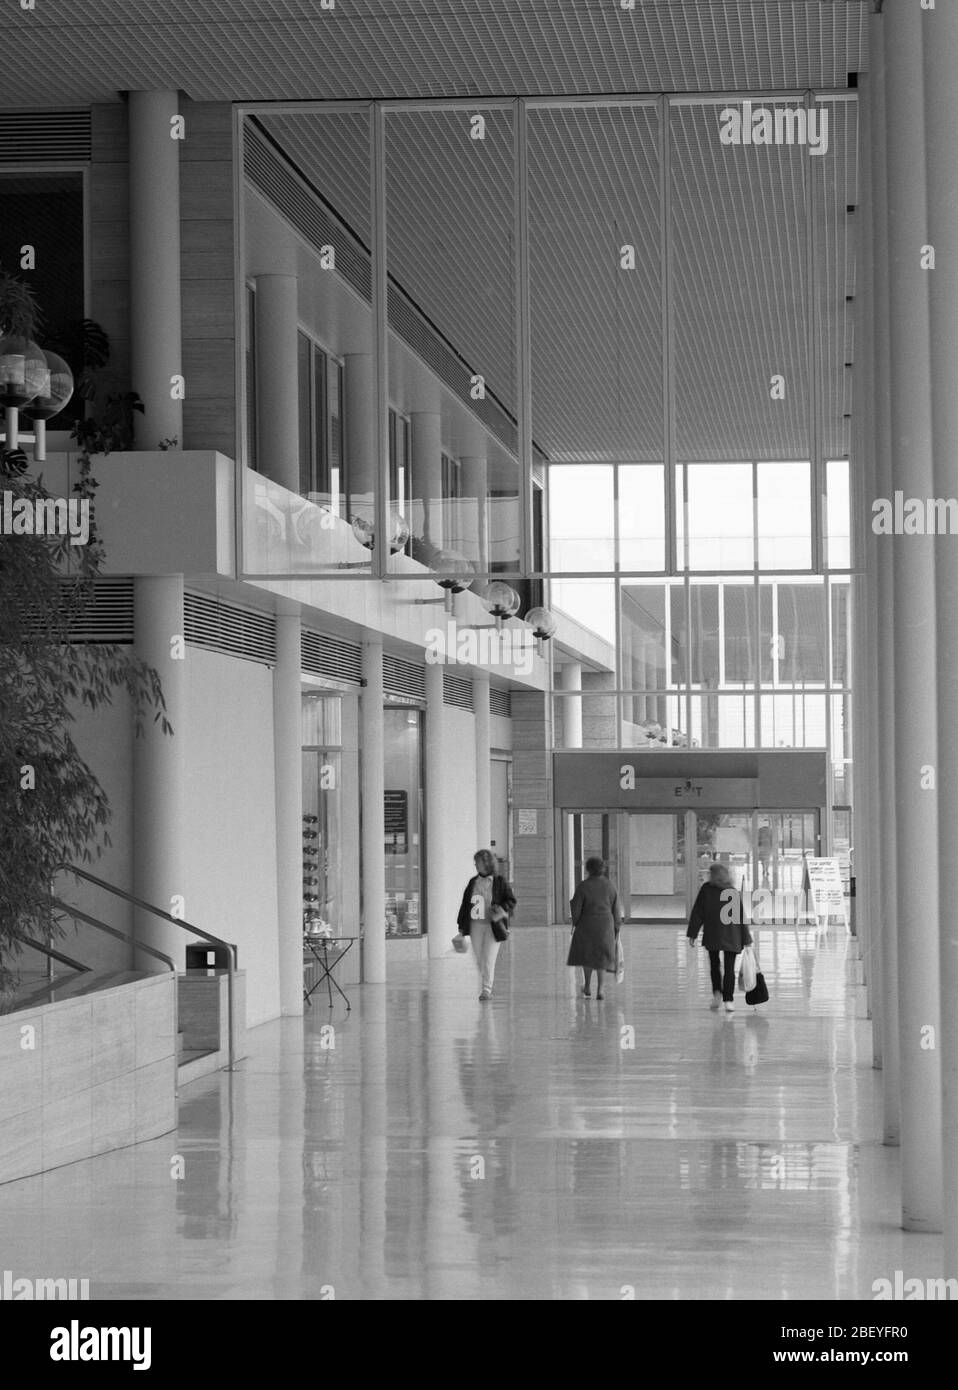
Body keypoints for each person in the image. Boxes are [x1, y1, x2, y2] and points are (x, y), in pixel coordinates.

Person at [687, 862, 752, 1014]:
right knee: (729, 969)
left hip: (713, 933)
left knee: (715, 965)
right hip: (732, 935)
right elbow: (741, 917)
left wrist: (693, 933)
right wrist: (746, 939)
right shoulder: (732, 891)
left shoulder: (706, 890)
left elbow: (698, 912)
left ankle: (717, 994)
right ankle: (728, 1000)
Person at [456, 849, 517, 1001]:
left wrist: (501, 908)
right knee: (479, 959)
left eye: (478, 862)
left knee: (489, 958)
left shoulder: (500, 881)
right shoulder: (473, 882)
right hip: (475, 925)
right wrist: (461, 926)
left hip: (493, 925)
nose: (475, 865)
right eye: (475, 862)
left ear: (486, 863)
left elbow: (511, 900)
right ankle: (485, 982)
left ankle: (486, 990)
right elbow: (465, 904)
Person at [567, 857, 622, 1000]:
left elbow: (576, 908)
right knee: (602, 958)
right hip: (605, 926)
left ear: (588, 869)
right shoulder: (610, 886)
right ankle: (601, 990)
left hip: (587, 925)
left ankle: (587, 987)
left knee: (587, 957)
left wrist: (576, 923)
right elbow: (616, 909)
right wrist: (616, 927)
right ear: (602, 868)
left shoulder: (583, 886)